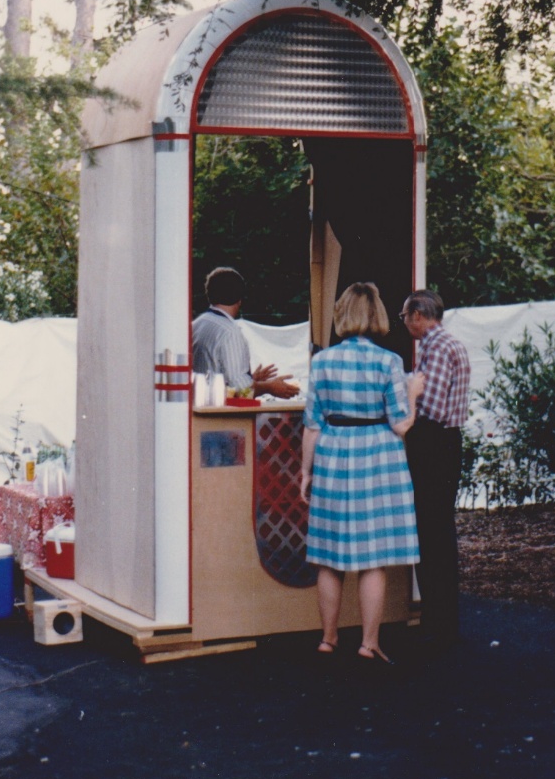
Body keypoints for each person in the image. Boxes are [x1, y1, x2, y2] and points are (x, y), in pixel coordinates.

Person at [300, 282, 424, 665]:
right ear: (377, 315)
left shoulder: (321, 361)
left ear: (342, 314)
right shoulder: (389, 362)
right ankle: (368, 644)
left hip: (334, 453)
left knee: (328, 555)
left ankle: (328, 639)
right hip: (377, 456)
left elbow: (312, 425)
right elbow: (401, 424)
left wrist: (305, 471)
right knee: (373, 557)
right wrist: (413, 392)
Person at [401, 289, 470, 646]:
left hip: (433, 442)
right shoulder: (446, 343)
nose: (404, 323)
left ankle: (437, 623)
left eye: (404, 316)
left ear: (417, 315)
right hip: (445, 443)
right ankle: (441, 618)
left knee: (431, 532)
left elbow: (432, 405)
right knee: (438, 531)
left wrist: (406, 398)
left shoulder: (437, 347)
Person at [192, 267, 300, 399]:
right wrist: (269, 387)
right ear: (239, 299)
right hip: (219, 409)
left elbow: (214, 374)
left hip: (199, 405)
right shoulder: (230, 332)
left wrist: (251, 379)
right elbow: (242, 391)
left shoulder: (197, 324)